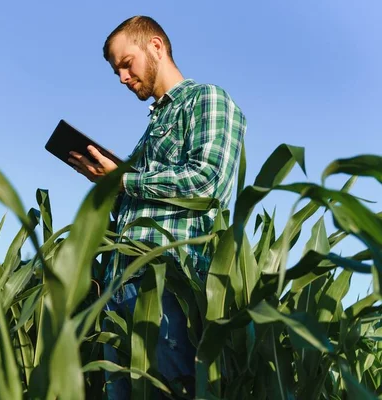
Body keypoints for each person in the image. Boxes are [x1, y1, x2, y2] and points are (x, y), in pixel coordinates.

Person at [68, 15, 246, 398]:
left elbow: (208, 181)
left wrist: (123, 178)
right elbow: (138, 199)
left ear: (155, 46)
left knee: (168, 389)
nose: (122, 78)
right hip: (121, 285)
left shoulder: (208, 99)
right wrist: (105, 181)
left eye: (126, 63)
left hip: (168, 281)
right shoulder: (150, 129)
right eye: (116, 71)